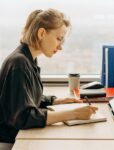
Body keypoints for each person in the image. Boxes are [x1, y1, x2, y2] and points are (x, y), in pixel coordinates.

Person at [0, 8, 98, 149]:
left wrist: (55, 101)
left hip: (17, 136)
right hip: (9, 142)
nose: (60, 47)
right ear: (41, 33)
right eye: (58, 39)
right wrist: (74, 114)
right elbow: (24, 117)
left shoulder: (28, 59)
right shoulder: (19, 63)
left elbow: (25, 98)